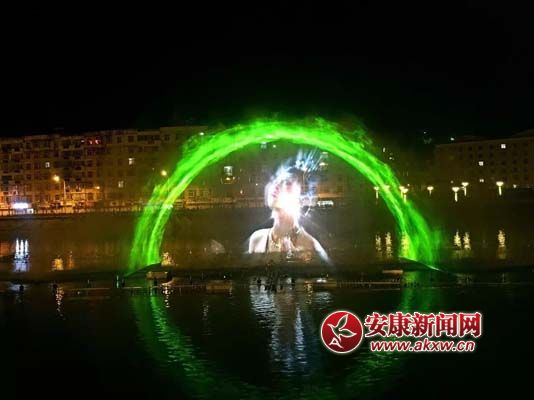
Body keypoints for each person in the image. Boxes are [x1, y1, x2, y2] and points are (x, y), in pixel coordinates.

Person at [247, 167, 328, 261]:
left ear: (302, 196)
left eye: (287, 182)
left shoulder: (311, 246)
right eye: (275, 180)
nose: (276, 185)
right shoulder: (256, 239)